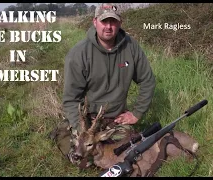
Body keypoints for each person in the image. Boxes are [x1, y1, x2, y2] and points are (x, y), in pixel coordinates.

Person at [52, 3, 156, 166]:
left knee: (126, 151)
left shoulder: (131, 46)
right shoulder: (78, 54)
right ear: (95, 22)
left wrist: (137, 113)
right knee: (81, 159)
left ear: (120, 23)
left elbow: (147, 80)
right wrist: (83, 132)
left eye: (113, 22)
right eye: (104, 21)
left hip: (116, 119)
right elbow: (71, 99)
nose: (108, 27)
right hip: (88, 121)